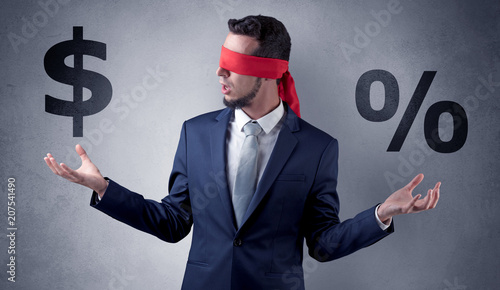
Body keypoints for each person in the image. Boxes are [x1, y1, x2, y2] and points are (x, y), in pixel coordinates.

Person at [44, 15, 440, 290]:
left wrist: (380, 216)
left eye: (232, 66)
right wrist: (104, 189)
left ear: (269, 71)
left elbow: (321, 242)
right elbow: (173, 222)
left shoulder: (318, 148)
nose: (220, 73)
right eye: (221, 62)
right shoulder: (195, 132)